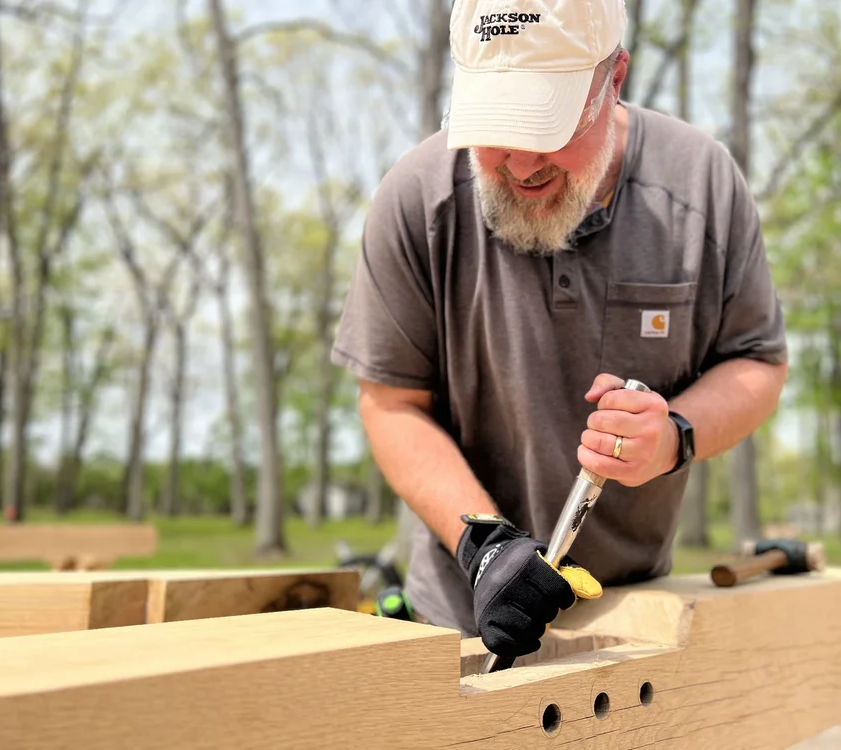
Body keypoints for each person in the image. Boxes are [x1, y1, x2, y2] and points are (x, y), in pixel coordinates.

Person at [330, 0, 789, 658]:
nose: (520, 165)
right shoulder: (418, 199)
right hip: (455, 618)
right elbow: (390, 405)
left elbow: (758, 365)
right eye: (496, 126)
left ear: (616, 77)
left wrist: (672, 437)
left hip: (630, 622)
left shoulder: (701, 186)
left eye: (546, 124)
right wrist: (484, 546)